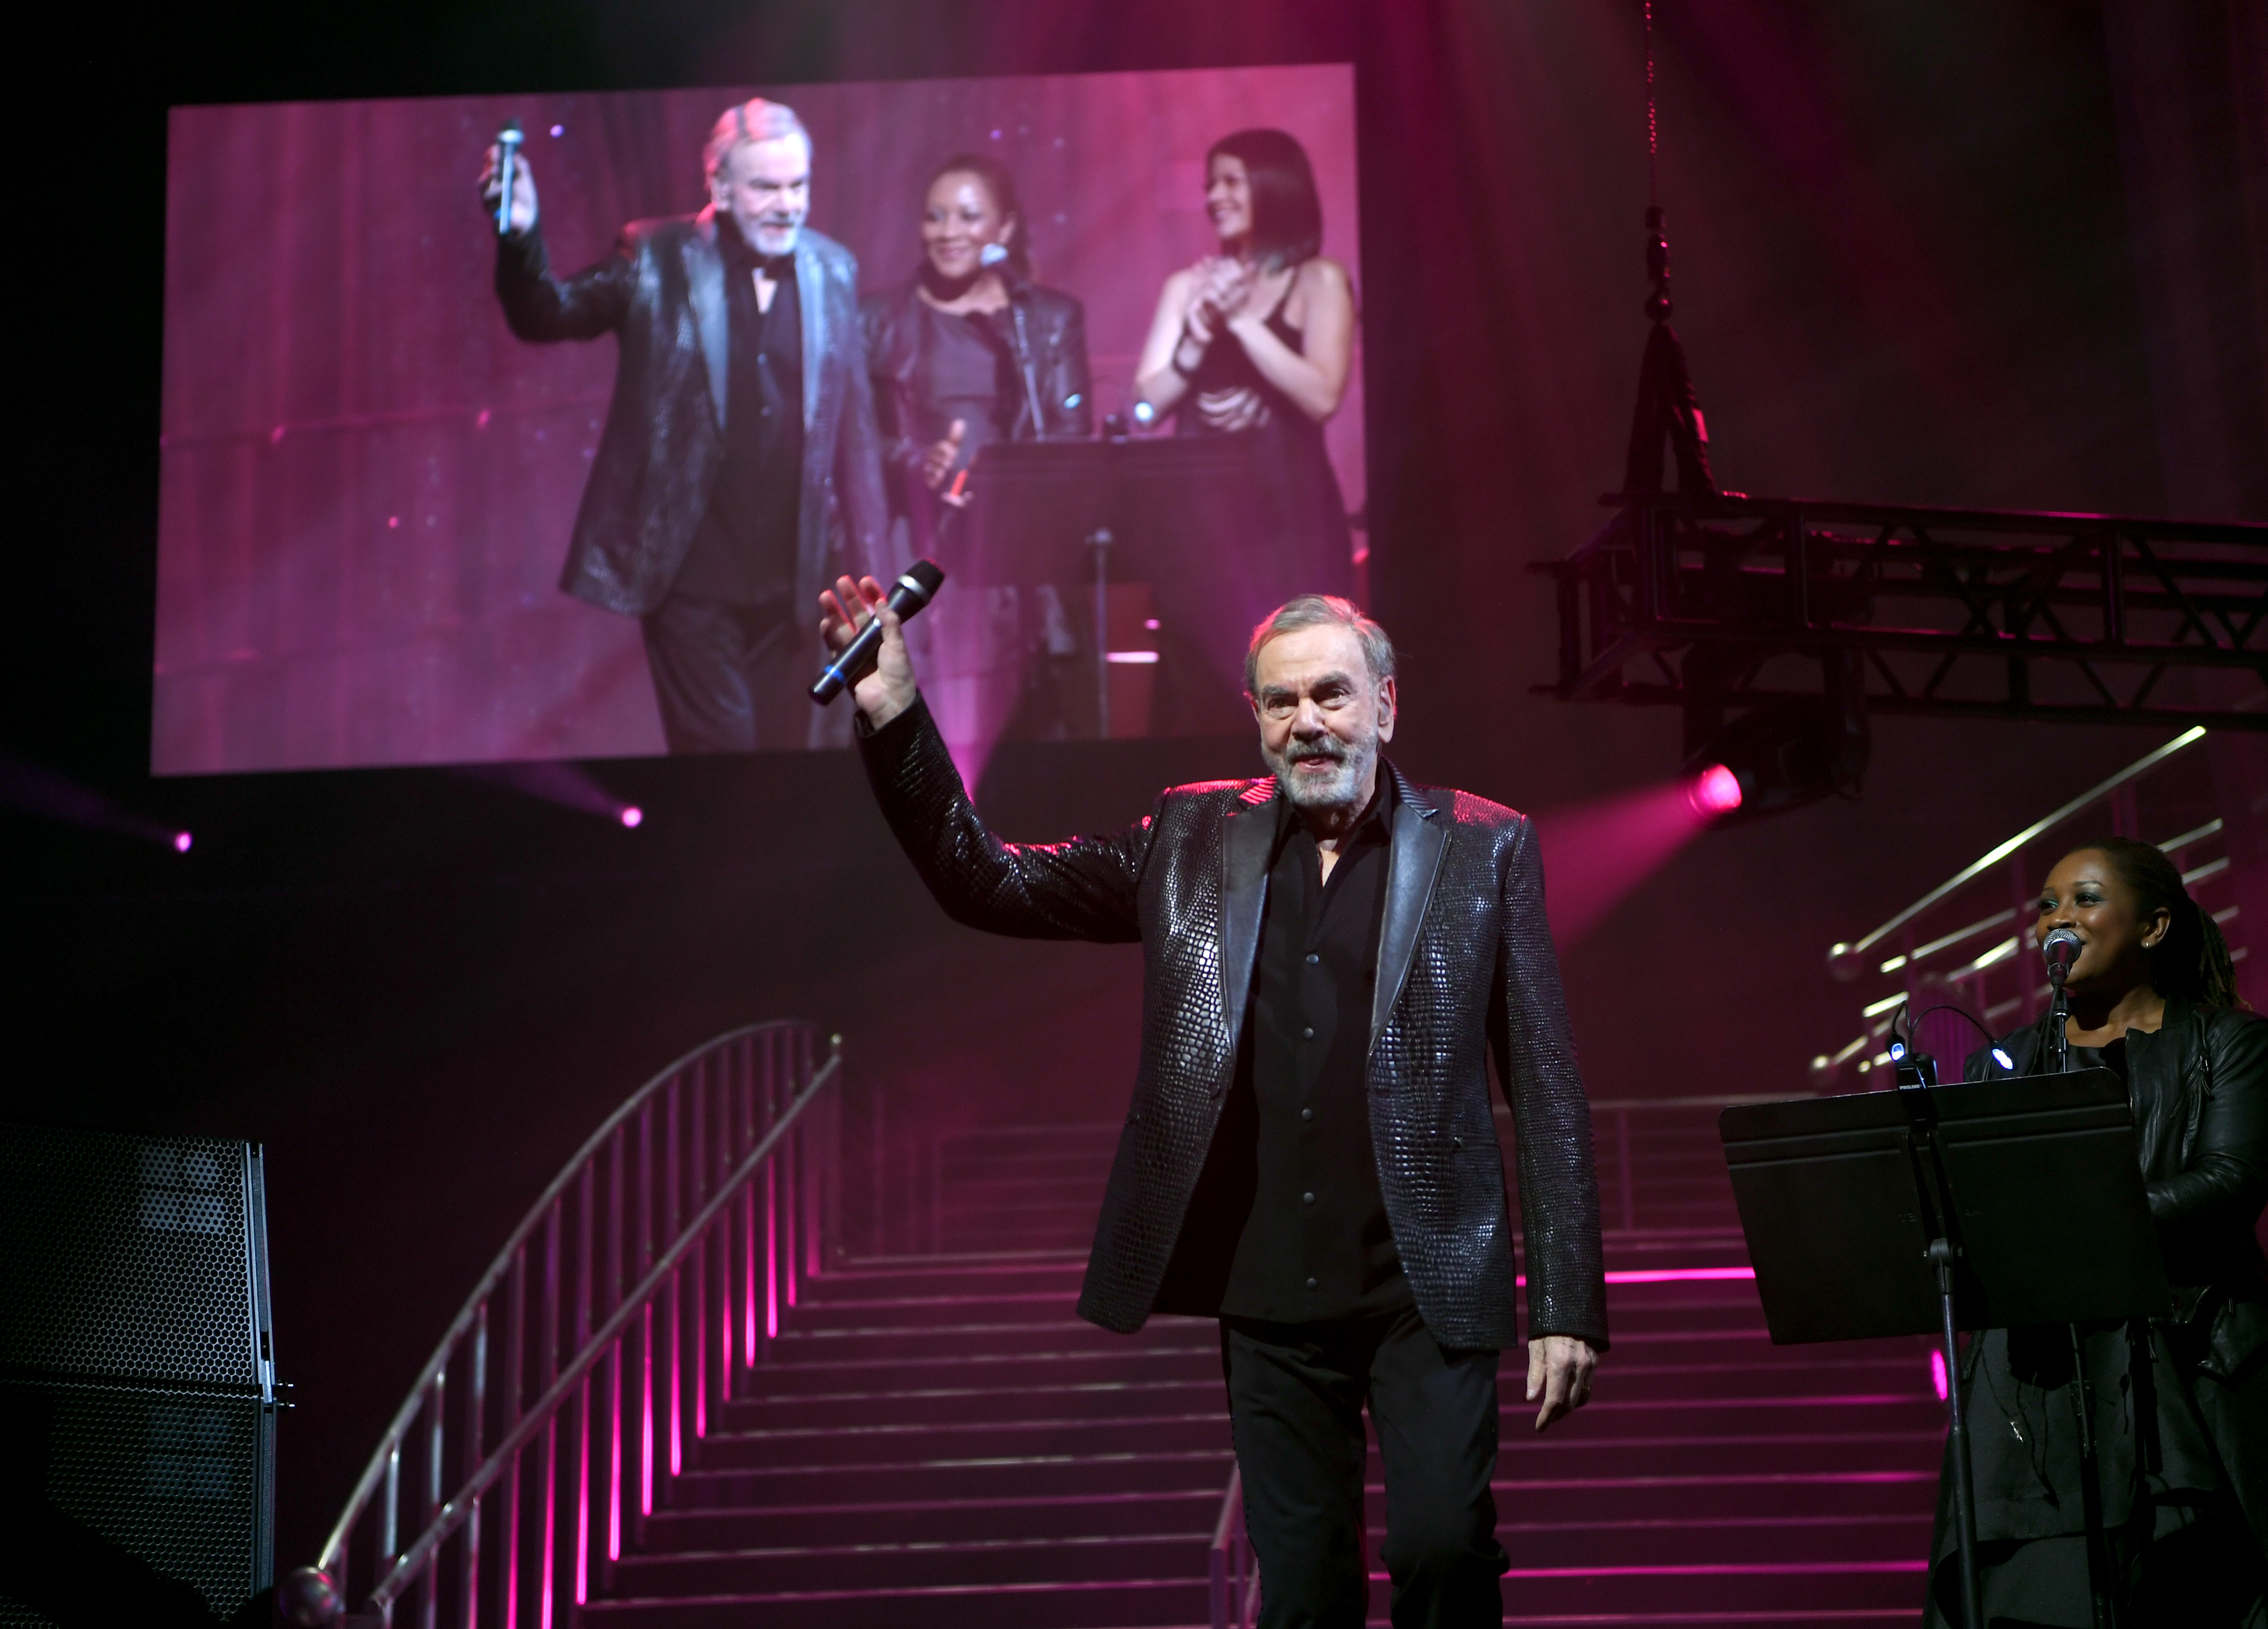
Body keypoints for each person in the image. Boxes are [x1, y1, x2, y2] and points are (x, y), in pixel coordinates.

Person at [819, 578, 1608, 1627]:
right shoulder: (1193, 837)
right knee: (1301, 1596)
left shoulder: (1482, 845)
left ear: (1385, 705)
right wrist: (895, 716)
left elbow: (1546, 1076)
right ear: (1257, 718)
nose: (1308, 722)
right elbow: (988, 881)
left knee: (1442, 1547)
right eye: (1282, 703)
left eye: (1331, 694)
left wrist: (1567, 1300)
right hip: (1269, 1287)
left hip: (1426, 1279)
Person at [1927, 837, 2267, 1628]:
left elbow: (2230, 1181)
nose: (2058, 918)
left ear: (2152, 927)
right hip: (2038, 1384)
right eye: (2046, 904)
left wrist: (2080, 1226)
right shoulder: (2000, 1066)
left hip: (2192, 1361)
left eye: (2083, 899)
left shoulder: (2229, 1045)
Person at [479, 98, 888, 754]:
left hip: (798, 581)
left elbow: (854, 434)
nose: (787, 204)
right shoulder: (656, 256)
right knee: (722, 756)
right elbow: (548, 314)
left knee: (788, 758)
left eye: (798, 185)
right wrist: (520, 236)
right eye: (766, 187)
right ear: (719, 185)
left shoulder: (830, 268)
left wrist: (870, 570)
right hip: (692, 578)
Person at [1133, 129, 1357, 662]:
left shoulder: (1319, 281)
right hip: (1200, 528)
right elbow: (1144, 408)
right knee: (1197, 682)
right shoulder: (1187, 288)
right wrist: (1201, 332)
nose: (1214, 198)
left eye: (1231, 181)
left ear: (1275, 185)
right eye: (1211, 185)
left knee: (1300, 670)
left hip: (1291, 523)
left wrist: (1238, 319)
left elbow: (1322, 395)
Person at [861, 152, 1092, 562]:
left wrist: (1006, 487)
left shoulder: (1049, 320)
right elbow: (852, 441)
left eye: (969, 217)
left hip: (1019, 548)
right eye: (935, 217)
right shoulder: (878, 319)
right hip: (913, 539)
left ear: (1004, 230)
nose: (949, 232)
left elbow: (1070, 436)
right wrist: (916, 463)